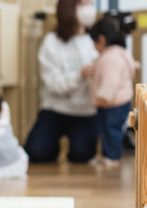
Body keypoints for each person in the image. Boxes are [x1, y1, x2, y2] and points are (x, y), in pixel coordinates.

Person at [24, 0, 99, 163]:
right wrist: (80, 76)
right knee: (35, 152)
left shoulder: (95, 41)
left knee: (82, 155)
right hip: (55, 109)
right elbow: (53, 85)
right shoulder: (51, 42)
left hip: (85, 111)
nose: (89, 9)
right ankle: (51, 146)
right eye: (83, 5)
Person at [89, 16, 137, 167]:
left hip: (112, 102)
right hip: (113, 102)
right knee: (107, 130)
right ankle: (107, 155)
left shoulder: (111, 57)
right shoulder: (116, 54)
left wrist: (104, 96)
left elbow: (110, 81)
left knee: (111, 130)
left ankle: (113, 156)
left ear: (101, 40)